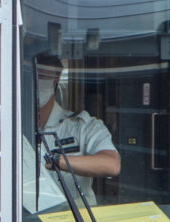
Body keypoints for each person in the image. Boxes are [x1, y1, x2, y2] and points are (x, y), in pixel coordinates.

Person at [24, 53, 121, 212]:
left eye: (42, 75)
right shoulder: (11, 127)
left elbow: (111, 165)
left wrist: (54, 161)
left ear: (56, 78)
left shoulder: (83, 126)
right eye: (30, 74)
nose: (36, 80)